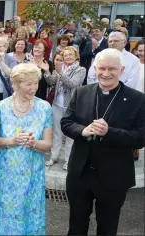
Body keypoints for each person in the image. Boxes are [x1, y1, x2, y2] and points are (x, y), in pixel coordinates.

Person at [60, 48, 145, 235]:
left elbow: (140, 138)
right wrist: (82, 130)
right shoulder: (82, 92)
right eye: (102, 68)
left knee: (107, 227)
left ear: (121, 70)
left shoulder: (137, 99)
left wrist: (110, 132)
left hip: (113, 176)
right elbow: (66, 123)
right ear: (95, 69)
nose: (106, 74)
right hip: (80, 174)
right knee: (76, 225)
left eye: (112, 69)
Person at [0, 63, 53, 235]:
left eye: (35, 83)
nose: (33, 88)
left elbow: (48, 144)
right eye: (28, 84)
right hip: (3, 173)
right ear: (16, 84)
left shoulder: (44, 108)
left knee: (26, 213)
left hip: (31, 173)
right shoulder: (0, 107)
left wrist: (34, 143)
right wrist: (12, 140)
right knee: (1, 214)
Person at [45, 46, 86, 170]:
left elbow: (72, 83)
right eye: (65, 55)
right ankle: (54, 156)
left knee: (70, 135)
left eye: (70, 54)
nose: (67, 57)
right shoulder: (60, 67)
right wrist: (47, 71)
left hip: (71, 106)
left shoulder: (80, 69)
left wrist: (61, 73)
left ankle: (69, 160)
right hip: (57, 104)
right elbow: (51, 82)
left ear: (76, 56)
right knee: (56, 132)